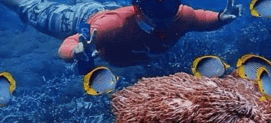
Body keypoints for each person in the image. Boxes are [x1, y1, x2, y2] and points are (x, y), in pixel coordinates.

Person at [1, 0, 241, 72]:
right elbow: (69, 43)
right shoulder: (112, 26)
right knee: (34, 12)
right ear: (138, 9)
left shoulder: (182, 16)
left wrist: (221, 18)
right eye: (155, 10)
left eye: (169, 7)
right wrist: (75, 51)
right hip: (85, 18)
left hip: (110, 7)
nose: (163, 17)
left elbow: (202, 19)